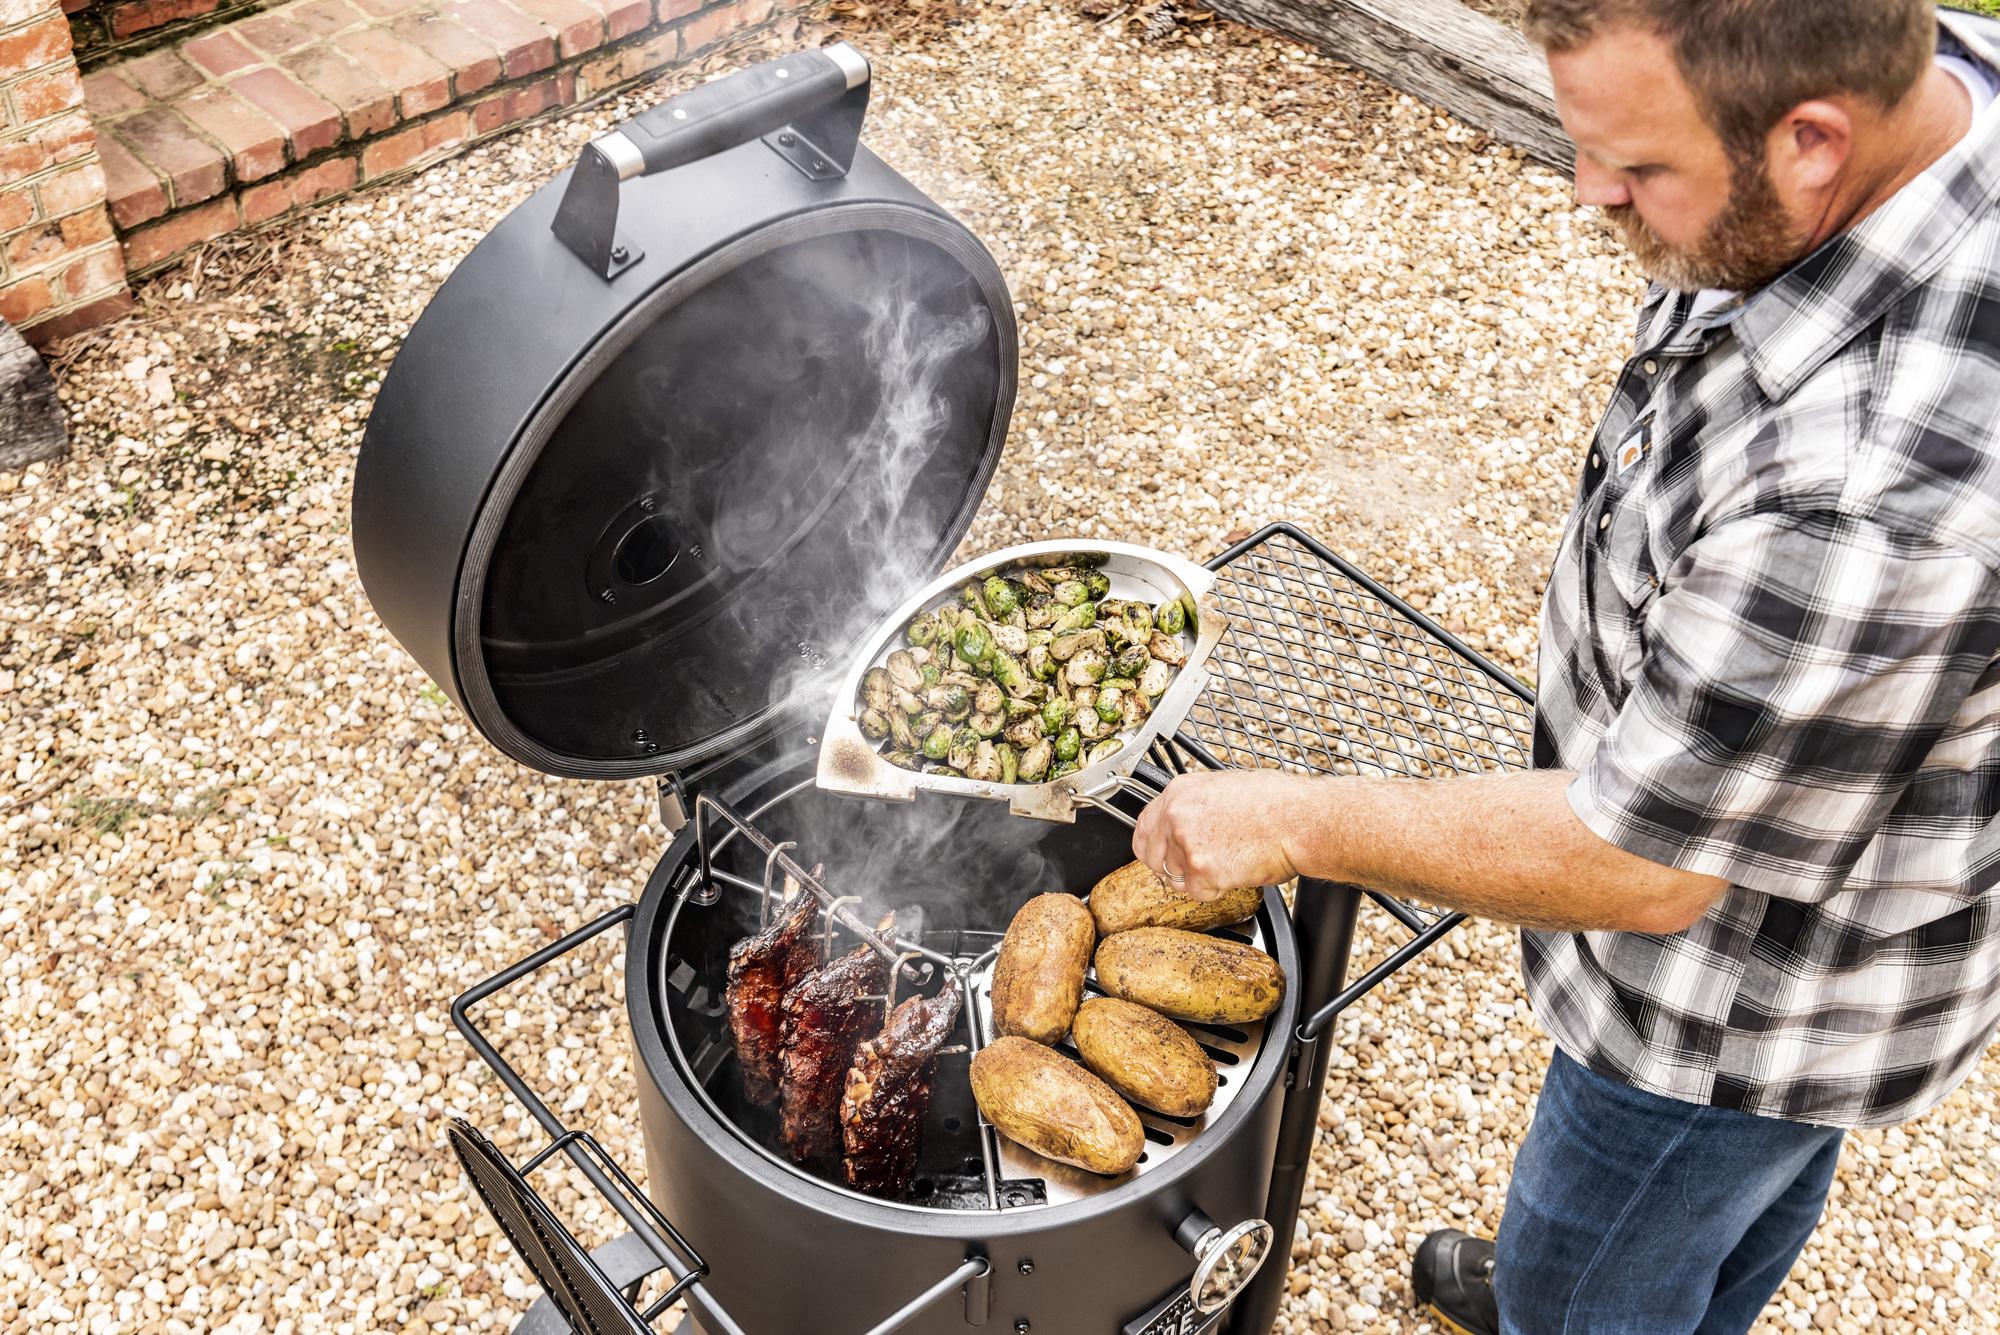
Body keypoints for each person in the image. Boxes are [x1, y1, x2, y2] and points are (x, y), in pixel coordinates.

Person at [1129, 2, 2000, 1331]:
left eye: (1642, 170)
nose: (1590, 193)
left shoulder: (1867, 495)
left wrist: (1293, 818)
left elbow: (1636, 864)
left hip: (1735, 1010)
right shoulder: (1931, 84)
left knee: (1607, 1249)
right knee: (1725, 1205)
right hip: (1847, 898)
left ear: (1816, 143)